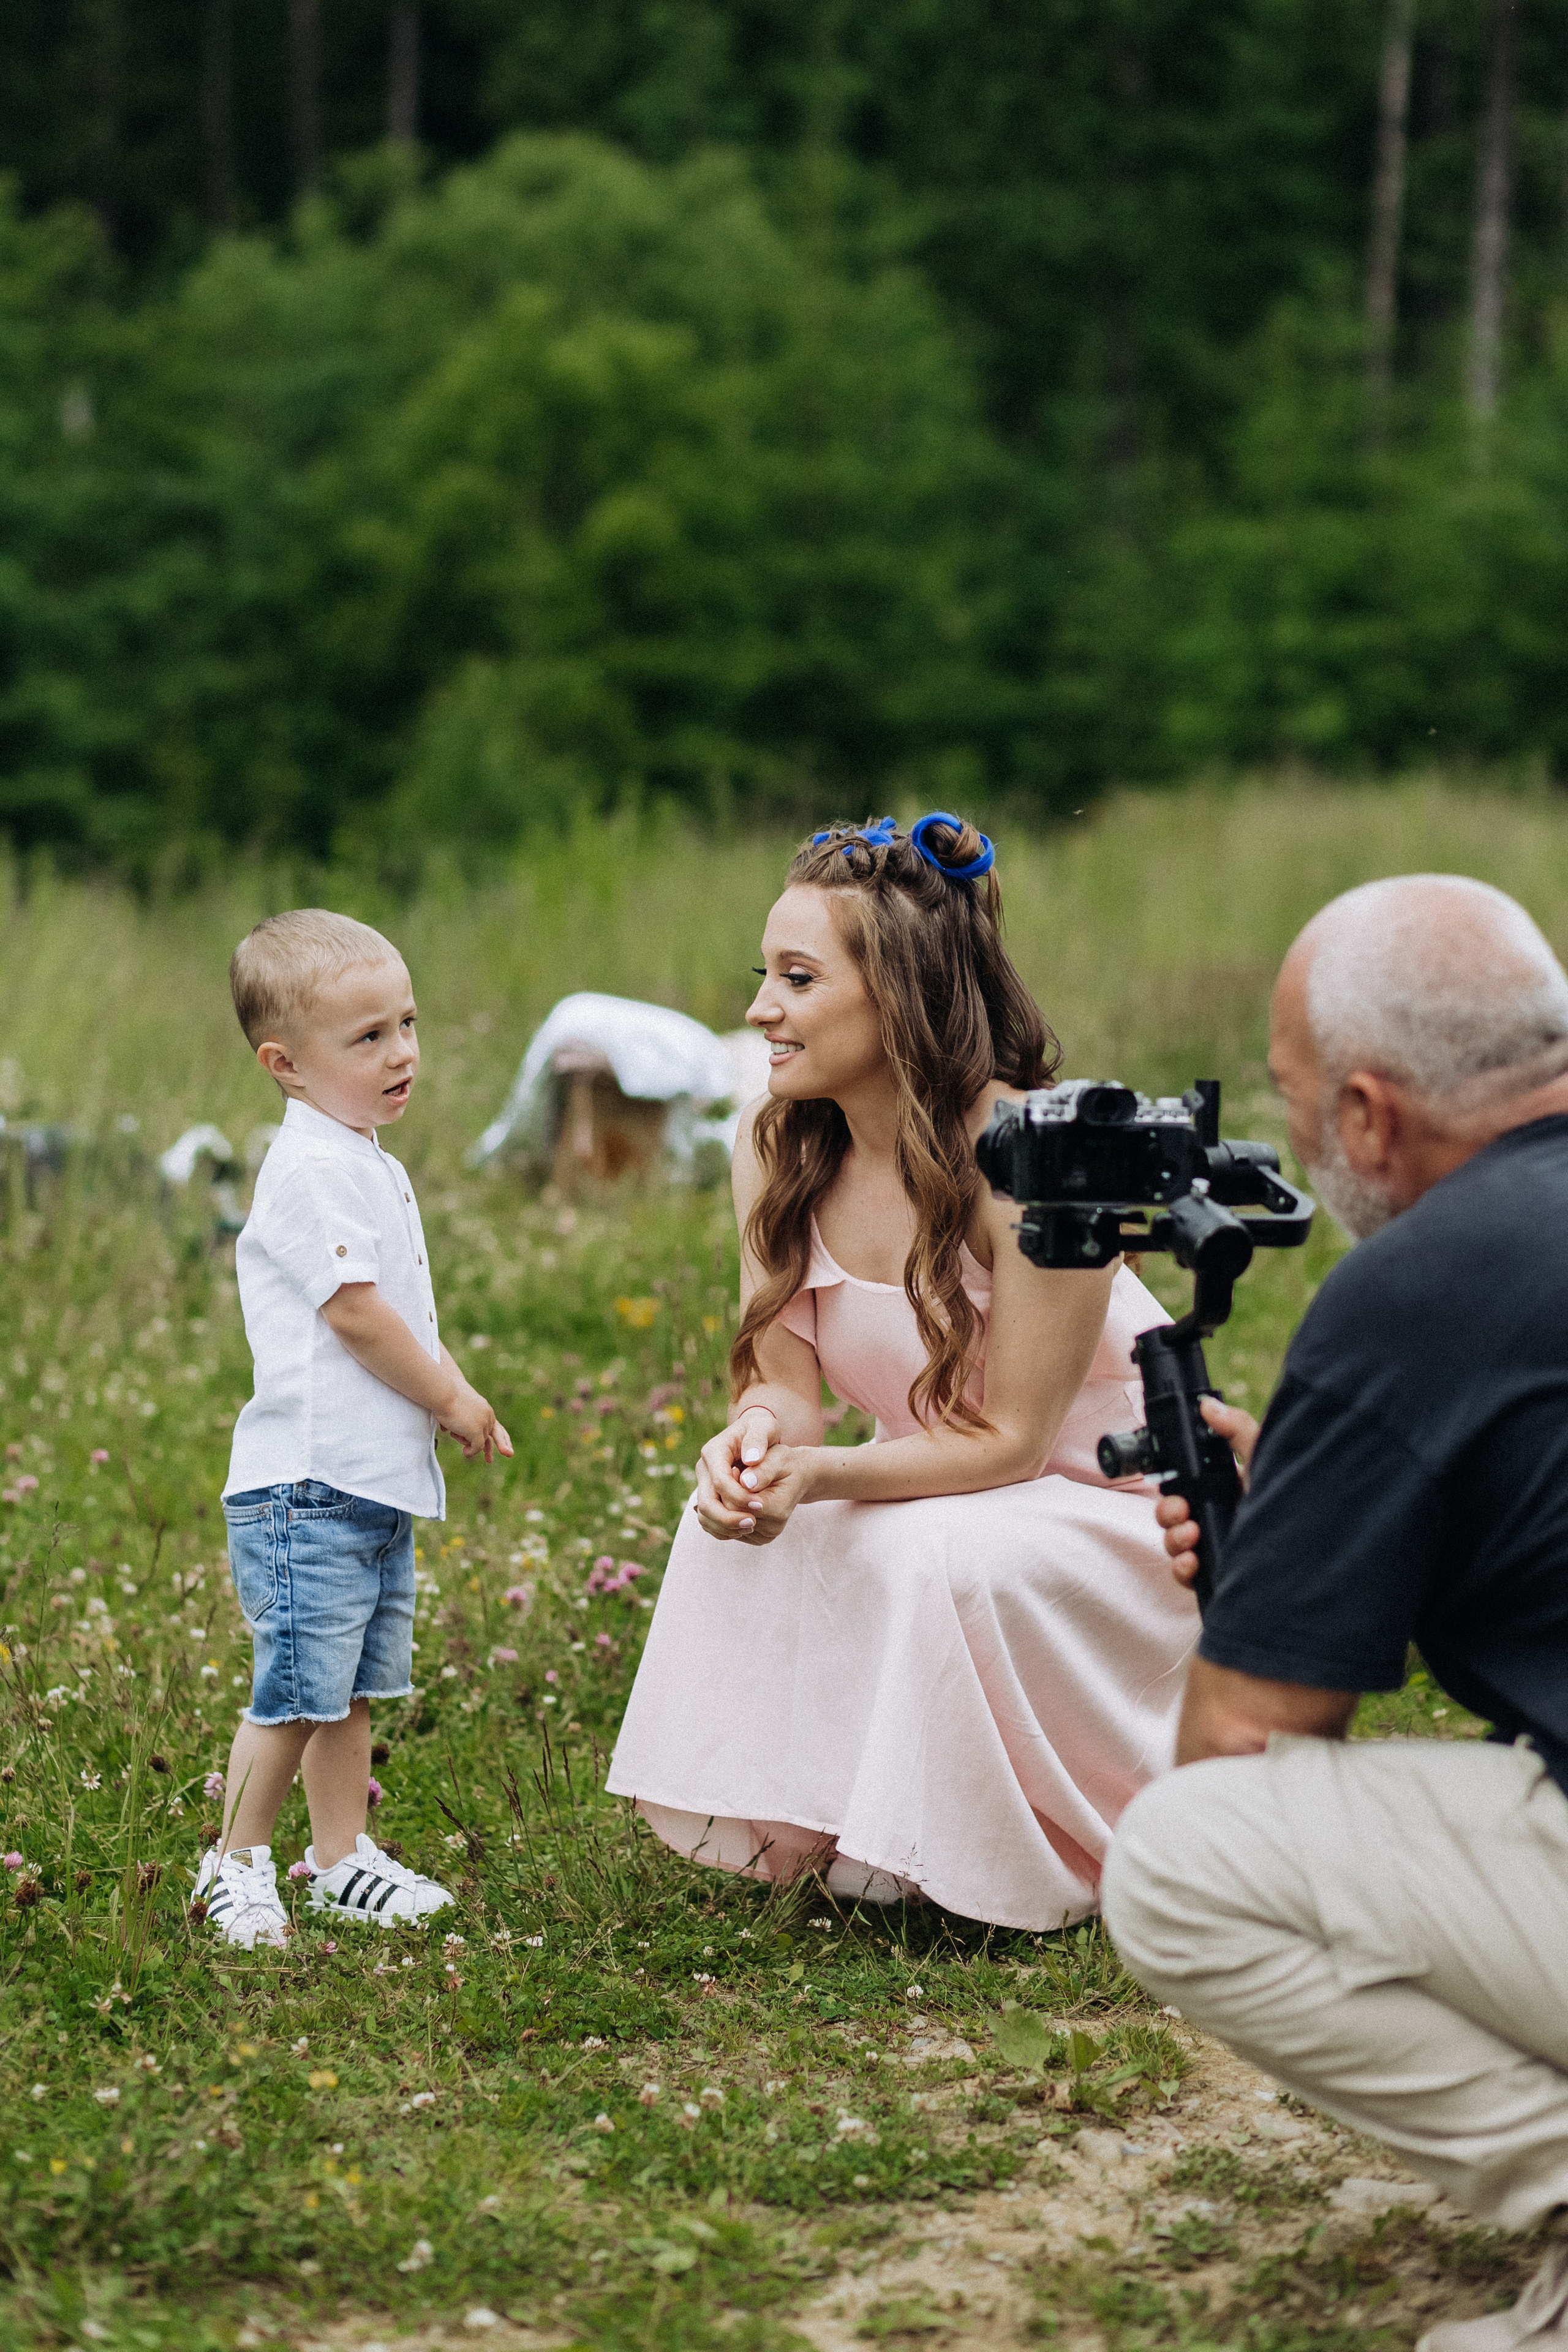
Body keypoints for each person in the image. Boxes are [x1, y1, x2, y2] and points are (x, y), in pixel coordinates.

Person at [1102, 873, 1568, 2352]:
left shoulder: (1422, 1288)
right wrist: (1321, 1499)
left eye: (1297, 1107)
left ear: (1367, 1116)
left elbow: (1246, 1739)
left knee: (1184, 1861)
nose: (1291, 1143)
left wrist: (1281, 1569)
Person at [608, 814, 1197, 1928]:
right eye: (763, 975)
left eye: (796, 978)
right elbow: (784, 1378)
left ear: (902, 996)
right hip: (949, 1480)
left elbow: (1017, 1440)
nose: (758, 1011)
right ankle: (850, 1813)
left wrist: (825, 1477)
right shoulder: (777, 1143)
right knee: (733, 1522)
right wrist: (760, 1443)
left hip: (1112, 1509)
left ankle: (1012, 1841)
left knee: (922, 1546)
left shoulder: (1030, 1159)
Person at [195, 910, 513, 1950]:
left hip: (370, 1486)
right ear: (284, 1065)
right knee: (294, 1689)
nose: (403, 1053)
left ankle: (339, 1862)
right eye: (368, 1038)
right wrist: (453, 1398)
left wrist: (446, 1393)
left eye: (407, 1025)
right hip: (308, 1485)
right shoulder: (313, 1168)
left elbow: (395, 1311)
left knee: (352, 1691)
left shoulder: (364, 1155)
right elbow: (359, 1313)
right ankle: (233, 1861)